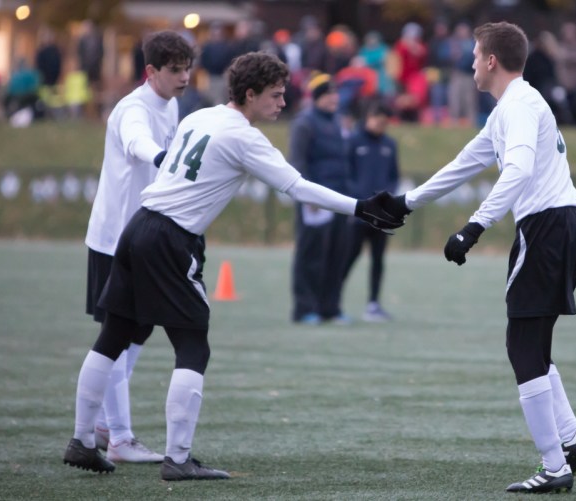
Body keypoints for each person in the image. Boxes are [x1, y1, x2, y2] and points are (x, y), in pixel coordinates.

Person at [62, 51, 403, 480]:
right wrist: (360, 207)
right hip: (170, 239)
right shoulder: (244, 137)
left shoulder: (198, 116)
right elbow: (296, 186)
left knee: (113, 335)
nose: (282, 103)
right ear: (249, 94)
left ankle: (80, 440)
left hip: (138, 228)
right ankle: (178, 459)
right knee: (193, 345)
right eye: (276, 96)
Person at [382, 22, 576, 494]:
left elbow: (516, 169)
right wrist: (406, 203)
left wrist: (473, 227)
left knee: (522, 347)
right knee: (534, 346)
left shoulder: (518, 104)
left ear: (492, 60)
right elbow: (466, 162)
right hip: (563, 224)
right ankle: (572, 440)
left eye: (476, 55)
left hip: (547, 227)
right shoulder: (511, 108)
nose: (472, 62)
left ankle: (554, 466)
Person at [80, 30, 195, 464]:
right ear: (152, 72)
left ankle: (106, 425)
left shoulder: (173, 104)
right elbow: (136, 142)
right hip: (115, 240)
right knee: (118, 335)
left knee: (136, 333)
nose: (184, 77)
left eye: (187, 68)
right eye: (175, 70)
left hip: (146, 238)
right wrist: (165, 159)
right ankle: (120, 436)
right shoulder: (133, 108)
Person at [289, 73, 352, 325]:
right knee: (311, 253)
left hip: (339, 197)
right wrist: (307, 196)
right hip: (315, 199)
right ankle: (305, 308)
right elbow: (298, 160)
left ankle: (330, 307)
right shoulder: (305, 123)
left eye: (335, 93)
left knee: (338, 254)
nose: (334, 98)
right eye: (328, 94)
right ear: (316, 98)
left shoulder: (338, 121)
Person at [342, 102, 400, 322]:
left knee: (378, 259)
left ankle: (373, 305)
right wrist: (360, 199)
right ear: (369, 117)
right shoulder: (353, 142)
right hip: (359, 213)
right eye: (379, 121)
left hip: (381, 216)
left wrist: (387, 197)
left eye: (385, 123)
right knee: (349, 257)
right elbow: (347, 174)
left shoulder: (389, 144)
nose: (381, 126)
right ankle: (333, 302)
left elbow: (394, 175)